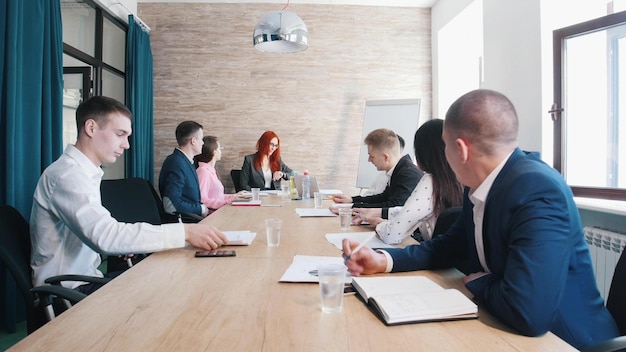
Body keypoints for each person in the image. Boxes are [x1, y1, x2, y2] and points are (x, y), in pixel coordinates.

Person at [342, 89, 619, 349]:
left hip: (567, 341)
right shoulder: (479, 185)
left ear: (461, 150)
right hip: (503, 327)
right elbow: (448, 245)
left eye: (445, 147)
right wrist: (386, 260)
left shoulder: (537, 190)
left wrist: (478, 281)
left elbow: (528, 312)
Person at [30, 96, 228, 294]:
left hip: (84, 279)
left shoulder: (83, 172)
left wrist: (126, 244)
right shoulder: (68, 175)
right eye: (120, 134)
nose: (127, 145)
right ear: (91, 128)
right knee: (172, 285)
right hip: (66, 291)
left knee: (168, 276)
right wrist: (185, 232)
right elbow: (105, 236)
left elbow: (96, 234)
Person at [354, 119, 463, 244]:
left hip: (435, 254)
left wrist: (380, 223)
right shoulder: (461, 178)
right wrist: (377, 212)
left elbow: (392, 234)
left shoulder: (430, 181)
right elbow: (414, 211)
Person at [333, 128, 423, 208]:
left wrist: (352, 207)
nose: (369, 160)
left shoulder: (408, 174)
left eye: (372, 156)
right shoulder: (399, 169)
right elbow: (383, 198)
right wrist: (352, 200)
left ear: (386, 157)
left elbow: (393, 207)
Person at [159, 121, 208, 219]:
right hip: (185, 222)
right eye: (201, 139)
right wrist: (200, 209)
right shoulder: (177, 163)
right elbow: (171, 205)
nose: (203, 143)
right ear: (193, 141)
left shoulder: (186, 161)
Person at [194, 136, 243, 211]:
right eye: (220, 149)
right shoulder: (203, 171)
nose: (221, 151)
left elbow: (218, 196)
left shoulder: (211, 170)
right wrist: (226, 202)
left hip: (218, 211)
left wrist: (234, 196)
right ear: (214, 152)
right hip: (212, 215)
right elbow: (202, 199)